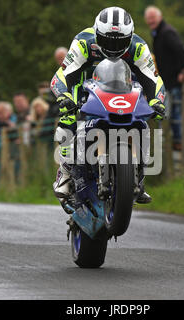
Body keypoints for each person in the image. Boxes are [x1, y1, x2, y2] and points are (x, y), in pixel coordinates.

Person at [50, 6, 166, 205]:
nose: (113, 47)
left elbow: (154, 79)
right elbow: (61, 75)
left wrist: (157, 101)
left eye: (120, 41)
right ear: (97, 33)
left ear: (129, 37)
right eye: (107, 40)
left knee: (143, 122)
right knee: (67, 115)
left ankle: (138, 175)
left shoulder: (138, 47)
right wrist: (64, 96)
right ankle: (66, 171)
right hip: (86, 85)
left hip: (124, 86)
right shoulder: (83, 42)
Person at [144, 5, 184, 150]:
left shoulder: (167, 32)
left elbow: (180, 50)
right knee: (168, 111)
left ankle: (177, 141)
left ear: (160, 17)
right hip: (166, 81)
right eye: (148, 19)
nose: (151, 21)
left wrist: (183, 70)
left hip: (174, 80)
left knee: (174, 113)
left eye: (153, 18)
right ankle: (171, 141)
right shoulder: (157, 33)